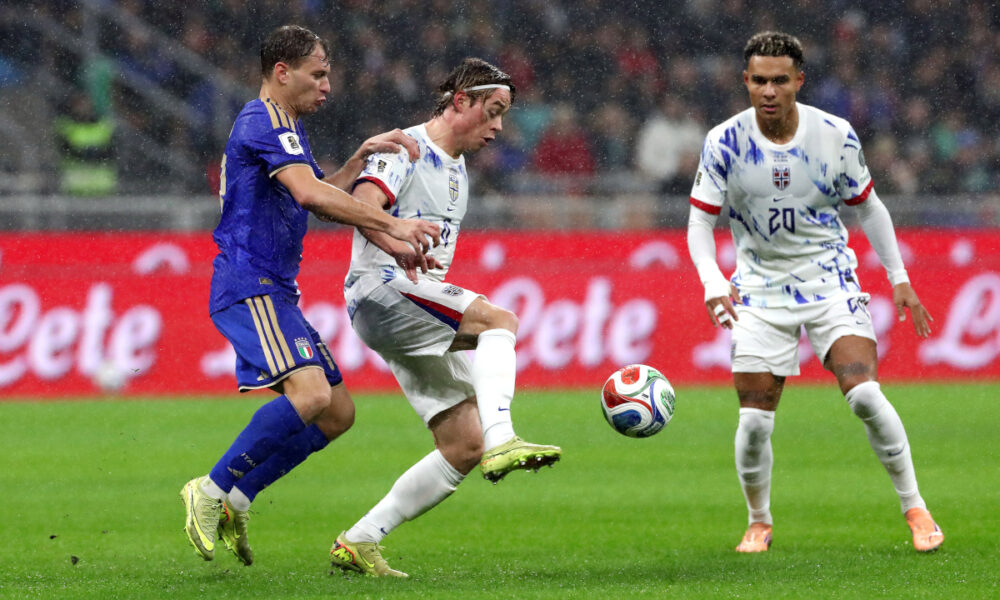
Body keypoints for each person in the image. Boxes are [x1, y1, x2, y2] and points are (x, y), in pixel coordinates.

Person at [180, 25, 441, 567]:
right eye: (317, 74)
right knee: (311, 394)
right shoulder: (263, 119)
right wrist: (395, 224)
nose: (327, 86)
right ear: (282, 72)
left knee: (336, 413)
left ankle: (238, 499)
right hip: (248, 284)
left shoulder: (284, 128)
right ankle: (210, 490)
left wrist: (358, 159)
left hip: (274, 290)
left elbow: (316, 196)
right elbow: (307, 191)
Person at [685, 31, 944, 554]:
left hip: (829, 279)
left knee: (866, 395)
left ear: (799, 81)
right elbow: (698, 225)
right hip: (758, 288)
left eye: (780, 80)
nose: (769, 91)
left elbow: (868, 207)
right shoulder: (724, 142)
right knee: (755, 420)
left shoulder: (835, 135)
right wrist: (715, 284)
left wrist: (899, 279)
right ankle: (759, 521)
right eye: (759, 80)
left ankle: (915, 506)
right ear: (746, 81)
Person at [329, 57, 561, 577]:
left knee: (463, 444)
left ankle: (359, 541)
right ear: (462, 101)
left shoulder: (457, 166)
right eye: (493, 111)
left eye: (504, 115)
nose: (499, 127)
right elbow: (361, 204)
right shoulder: (406, 148)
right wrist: (396, 238)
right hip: (381, 286)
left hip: (406, 299)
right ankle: (505, 439)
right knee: (499, 321)